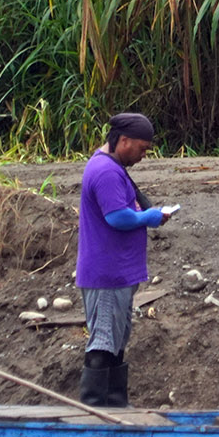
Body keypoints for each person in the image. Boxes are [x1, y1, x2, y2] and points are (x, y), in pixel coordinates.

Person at [75, 111, 175, 407]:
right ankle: (95, 407)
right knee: (104, 340)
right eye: (142, 149)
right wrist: (151, 217)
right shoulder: (106, 172)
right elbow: (117, 217)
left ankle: (114, 404)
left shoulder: (110, 166)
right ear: (124, 140)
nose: (144, 155)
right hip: (107, 273)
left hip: (116, 272)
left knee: (115, 339)